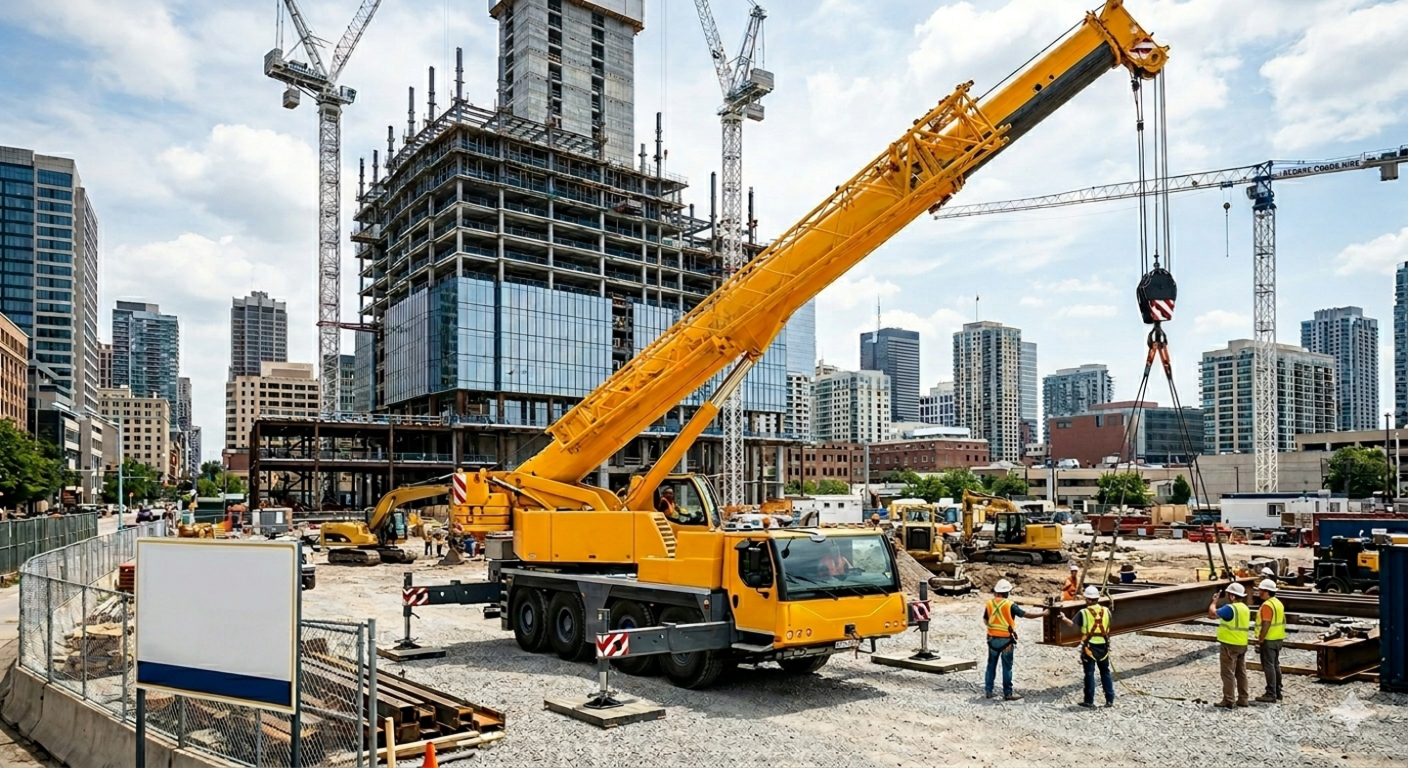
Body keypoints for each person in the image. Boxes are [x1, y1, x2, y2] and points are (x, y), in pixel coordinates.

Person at [982, 579, 1047, 701]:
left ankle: (988, 691)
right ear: (1007, 593)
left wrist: (995, 628)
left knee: (991, 665)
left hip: (992, 640)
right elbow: (1026, 614)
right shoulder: (1010, 605)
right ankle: (1008, 693)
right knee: (1007, 667)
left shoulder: (990, 604)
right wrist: (1043, 614)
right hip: (1006, 641)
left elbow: (986, 621)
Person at [1061, 585, 1114, 708]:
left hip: (1089, 647)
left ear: (1088, 599)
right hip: (1103, 646)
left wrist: (1063, 618)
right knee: (1105, 672)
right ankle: (1110, 699)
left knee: (1089, 673)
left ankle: (1089, 701)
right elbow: (1109, 625)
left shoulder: (1084, 612)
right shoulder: (1106, 611)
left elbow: (1071, 624)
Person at [1209, 582, 1251, 708]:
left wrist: (1214, 601)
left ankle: (1229, 700)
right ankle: (1243, 699)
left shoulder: (1230, 608)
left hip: (1230, 645)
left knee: (1227, 673)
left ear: (1232, 596)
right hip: (1242, 644)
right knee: (1241, 673)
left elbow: (1212, 613)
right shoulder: (1245, 608)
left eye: (1228, 594)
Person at [1253, 579, 1285, 703]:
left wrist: (1261, 639)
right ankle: (1278, 691)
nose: (1259, 592)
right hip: (1278, 638)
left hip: (1269, 639)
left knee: (1269, 665)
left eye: (1261, 590)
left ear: (1266, 591)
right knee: (1275, 664)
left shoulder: (1267, 605)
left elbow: (1266, 623)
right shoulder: (1278, 603)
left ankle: (1271, 693)